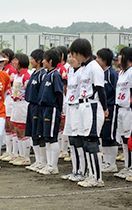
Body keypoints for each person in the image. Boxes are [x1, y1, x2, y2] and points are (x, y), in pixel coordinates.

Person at [69, 38, 108, 187]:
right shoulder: (85, 67)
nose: (73, 57)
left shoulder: (94, 67)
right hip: (83, 105)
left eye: (74, 53)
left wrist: (104, 109)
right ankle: (91, 174)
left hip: (92, 105)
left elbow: (100, 89)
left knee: (92, 141)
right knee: (86, 141)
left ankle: (97, 178)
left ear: (80, 52)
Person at [113, 47, 132, 181]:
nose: (118, 58)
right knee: (124, 139)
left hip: (129, 109)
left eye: (121, 55)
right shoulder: (122, 72)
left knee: (131, 139)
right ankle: (128, 166)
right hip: (121, 108)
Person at [36, 49, 63, 175]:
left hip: (52, 109)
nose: (42, 61)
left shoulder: (55, 75)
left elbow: (59, 93)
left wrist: (59, 109)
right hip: (44, 108)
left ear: (50, 61)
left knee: (52, 137)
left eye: (44, 59)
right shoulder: (46, 74)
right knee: (46, 137)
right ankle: (48, 164)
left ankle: (54, 165)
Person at [62, 53, 86, 181]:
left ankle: (82, 170)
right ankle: (75, 169)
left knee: (79, 141)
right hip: (70, 107)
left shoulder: (83, 71)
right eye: (69, 56)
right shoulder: (70, 70)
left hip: (78, 107)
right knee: (71, 140)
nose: (71, 59)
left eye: (74, 56)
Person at [96, 48, 119, 173]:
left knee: (110, 135)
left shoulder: (112, 73)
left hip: (111, 107)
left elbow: (116, 90)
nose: (96, 60)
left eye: (98, 58)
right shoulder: (100, 72)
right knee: (103, 135)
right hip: (102, 107)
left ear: (104, 60)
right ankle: (106, 161)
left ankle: (112, 163)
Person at [25, 49, 47, 171]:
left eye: (32, 58)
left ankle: (42, 161)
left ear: (38, 61)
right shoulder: (34, 73)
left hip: (38, 107)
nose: (30, 61)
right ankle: (38, 160)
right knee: (33, 134)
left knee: (39, 134)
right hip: (31, 105)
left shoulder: (42, 74)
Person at [9, 53, 31, 166]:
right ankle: (20, 155)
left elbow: (28, 90)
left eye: (15, 60)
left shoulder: (26, 75)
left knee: (23, 131)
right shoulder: (17, 75)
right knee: (17, 130)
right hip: (15, 104)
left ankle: (25, 157)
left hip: (23, 104)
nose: (13, 62)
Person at [0, 48, 17, 162]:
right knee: (6, 126)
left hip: (11, 99)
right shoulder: (4, 69)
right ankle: (8, 150)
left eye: (5, 56)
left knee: (11, 125)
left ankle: (14, 152)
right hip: (5, 99)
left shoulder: (11, 70)